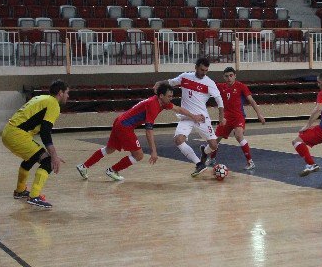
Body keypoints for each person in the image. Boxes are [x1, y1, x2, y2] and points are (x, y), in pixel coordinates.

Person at [76, 83, 204, 181]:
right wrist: (154, 151)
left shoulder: (162, 103)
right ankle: (112, 170)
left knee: (109, 149)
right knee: (139, 155)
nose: (171, 99)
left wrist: (194, 117)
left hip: (120, 122)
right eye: (169, 96)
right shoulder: (153, 105)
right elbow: (148, 131)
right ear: (161, 96)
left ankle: (84, 166)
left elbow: (178, 109)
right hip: (125, 126)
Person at [1, 80, 69, 208]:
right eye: (67, 93)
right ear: (60, 93)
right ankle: (34, 196)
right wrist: (53, 156)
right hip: (17, 135)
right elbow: (45, 132)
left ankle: (20, 191)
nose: (68, 96)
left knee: (32, 158)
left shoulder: (41, 98)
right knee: (48, 161)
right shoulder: (53, 104)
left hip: (9, 132)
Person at [153, 57, 225, 177]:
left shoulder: (209, 83)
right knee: (178, 140)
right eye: (202, 69)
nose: (204, 72)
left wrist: (221, 117)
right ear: (196, 67)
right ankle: (199, 164)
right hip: (186, 117)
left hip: (202, 118)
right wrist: (160, 82)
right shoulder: (185, 77)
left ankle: (204, 152)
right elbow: (171, 82)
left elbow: (219, 100)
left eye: (206, 70)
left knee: (213, 145)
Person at [206, 67, 265, 170]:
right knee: (215, 140)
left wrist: (259, 114)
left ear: (235, 76)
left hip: (238, 116)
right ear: (223, 77)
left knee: (238, 135)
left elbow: (252, 101)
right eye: (226, 76)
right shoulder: (220, 86)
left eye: (231, 75)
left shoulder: (241, 86)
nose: (229, 78)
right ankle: (212, 159)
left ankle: (250, 162)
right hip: (225, 118)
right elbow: (207, 85)